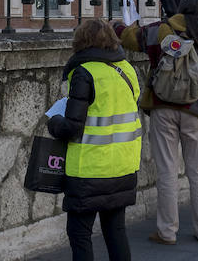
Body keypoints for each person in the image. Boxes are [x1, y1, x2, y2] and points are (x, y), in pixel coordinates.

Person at [116, 0, 198, 245]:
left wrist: (117, 26)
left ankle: (167, 231)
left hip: (162, 105)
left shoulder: (160, 29)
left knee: (167, 170)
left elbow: (130, 39)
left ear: (180, 9)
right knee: (197, 171)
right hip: (195, 109)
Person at [48, 20, 142, 261]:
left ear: (81, 41)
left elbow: (72, 128)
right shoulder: (126, 69)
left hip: (89, 170)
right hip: (122, 165)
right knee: (116, 230)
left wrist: (54, 122)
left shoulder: (84, 72)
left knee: (79, 233)